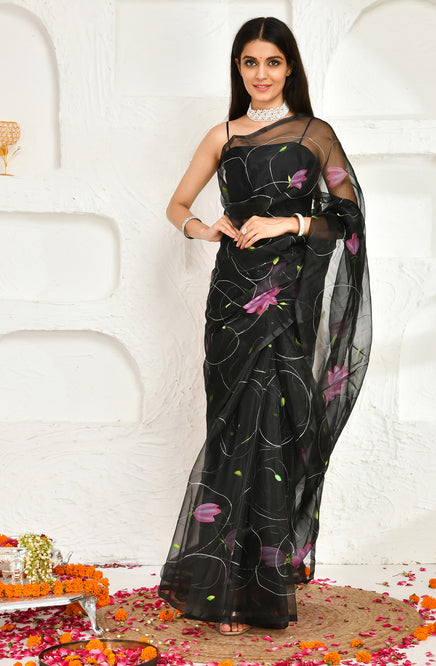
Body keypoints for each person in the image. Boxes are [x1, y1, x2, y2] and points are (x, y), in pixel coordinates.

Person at [158, 16, 371, 634]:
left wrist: (289, 223)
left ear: (289, 68)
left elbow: (348, 215)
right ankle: (223, 591)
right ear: (238, 69)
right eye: (249, 62)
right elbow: (176, 205)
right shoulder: (222, 136)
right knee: (232, 433)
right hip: (233, 299)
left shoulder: (315, 134)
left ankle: (265, 589)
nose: (261, 74)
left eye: (272, 62)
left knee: (277, 432)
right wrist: (205, 227)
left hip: (288, 300)